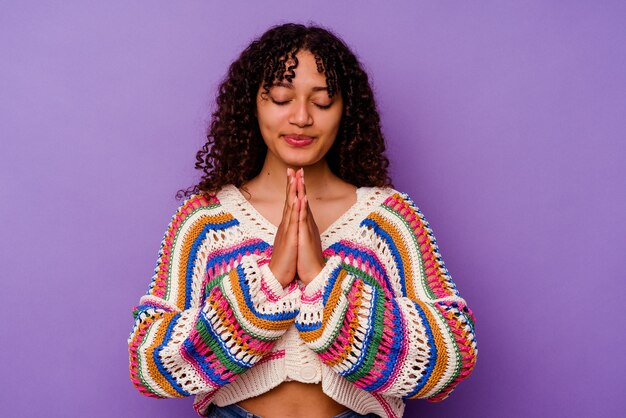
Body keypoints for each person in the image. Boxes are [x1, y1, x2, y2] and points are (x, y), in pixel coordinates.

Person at [128, 23, 477, 418]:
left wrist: (321, 279)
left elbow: (453, 355)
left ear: (347, 110)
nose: (301, 117)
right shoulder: (205, 219)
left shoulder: (388, 218)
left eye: (323, 102)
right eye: (280, 98)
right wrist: (269, 281)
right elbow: (150, 363)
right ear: (252, 105)